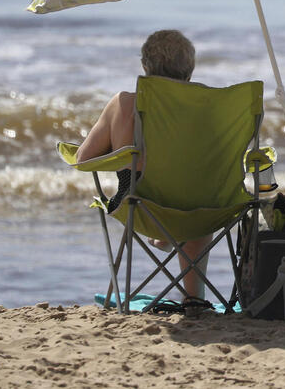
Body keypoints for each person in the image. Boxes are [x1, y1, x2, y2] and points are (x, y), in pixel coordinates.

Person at [76, 29, 211, 300]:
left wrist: (121, 147)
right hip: (204, 207)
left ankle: (165, 235)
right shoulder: (209, 105)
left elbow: (84, 160)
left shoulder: (124, 104)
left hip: (140, 206)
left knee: (175, 196)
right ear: (190, 72)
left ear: (145, 67)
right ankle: (194, 298)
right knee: (196, 200)